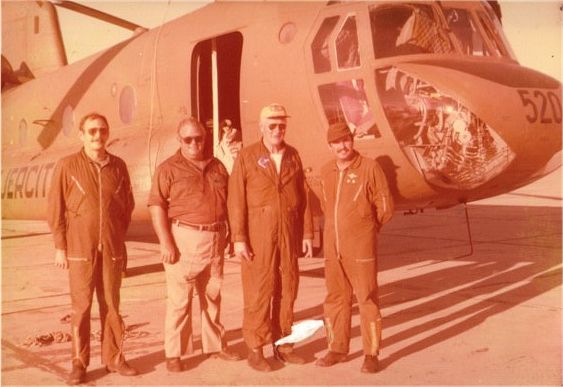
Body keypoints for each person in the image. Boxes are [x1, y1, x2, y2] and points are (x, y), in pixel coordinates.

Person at [47, 113, 137, 385]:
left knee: (111, 304)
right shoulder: (67, 165)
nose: (98, 136)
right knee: (82, 306)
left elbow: (127, 206)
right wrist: (60, 247)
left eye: (102, 130)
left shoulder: (118, 166)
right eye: (92, 131)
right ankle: (79, 362)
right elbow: (55, 210)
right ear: (82, 135)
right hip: (79, 249)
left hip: (110, 247)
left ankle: (114, 358)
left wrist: (115, 236)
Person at [148, 117, 241, 373]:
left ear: (205, 138)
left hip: (215, 239)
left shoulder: (218, 167)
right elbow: (156, 204)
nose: (193, 143)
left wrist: (231, 234)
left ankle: (214, 346)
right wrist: (166, 242)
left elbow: (229, 202)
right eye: (187, 139)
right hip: (184, 239)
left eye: (198, 138)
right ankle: (175, 353)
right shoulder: (168, 168)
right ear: (179, 140)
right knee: (180, 300)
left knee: (212, 296)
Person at [228, 103, 314, 372]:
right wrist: (239, 237)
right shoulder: (247, 156)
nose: (278, 130)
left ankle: (284, 345)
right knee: (258, 291)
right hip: (258, 234)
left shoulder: (293, 155)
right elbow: (236, 200)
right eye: (273, 125)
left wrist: (308, 233)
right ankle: (255, 348)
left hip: (288, 232)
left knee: (288, 288)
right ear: (262, 127)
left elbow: (304, 196)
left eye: (282, 125)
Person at [315, 122, 394, 373]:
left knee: (367, 298)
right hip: (333, 247)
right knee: (336, 298)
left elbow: (385, 207)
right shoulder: (326, 171)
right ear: (330, 146)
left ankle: (371, 354)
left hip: (361, 247)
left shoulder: (370, 168)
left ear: (353, 140)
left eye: (346, 140)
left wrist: (367, 229)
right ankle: (337, 348)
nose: (342, 146)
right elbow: (327, 206)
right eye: (336, 142)